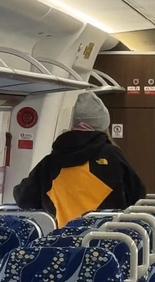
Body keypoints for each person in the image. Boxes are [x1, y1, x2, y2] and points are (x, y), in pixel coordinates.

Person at [13, 91, 146, 226]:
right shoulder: (113, 156)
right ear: (103, 125)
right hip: (106, 239)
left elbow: (24, 198)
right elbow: (137, 195)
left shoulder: (51, 162)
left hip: (60, 241)